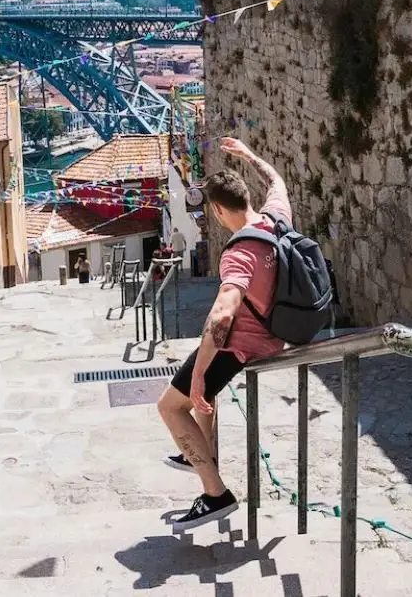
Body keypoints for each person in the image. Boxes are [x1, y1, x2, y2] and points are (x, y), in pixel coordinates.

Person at [157, 136, 291, 532]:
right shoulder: (275, 218)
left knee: (170, 405)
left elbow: (223, 314)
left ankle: (215, 493)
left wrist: (198, 373)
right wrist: (249, 155)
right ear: (246, 197)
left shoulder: (239, 252)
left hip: (243, 345)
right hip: (275, 332)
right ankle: (203, 450)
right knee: (203, 396)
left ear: (216, 210)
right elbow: (277, 181)